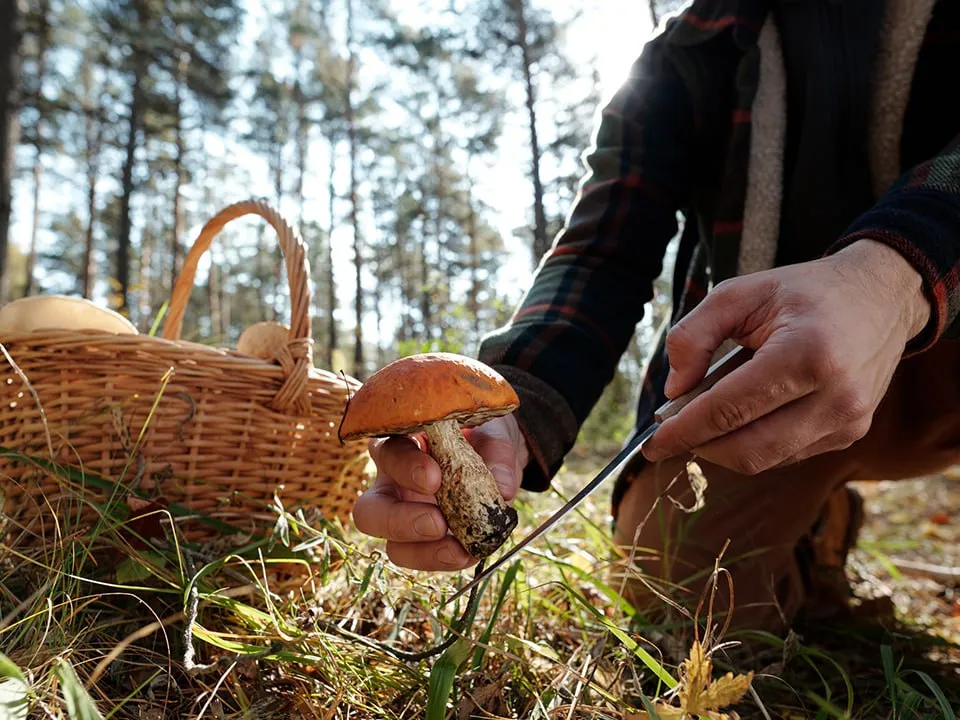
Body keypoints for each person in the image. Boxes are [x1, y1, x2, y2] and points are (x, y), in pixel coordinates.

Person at [352, 0, 960, 634]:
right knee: (675, 593)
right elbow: (603, 253)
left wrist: (896, 271)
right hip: (763, 381)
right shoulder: (692, 49)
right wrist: (514, 407)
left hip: (946, 341)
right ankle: (820, 520)